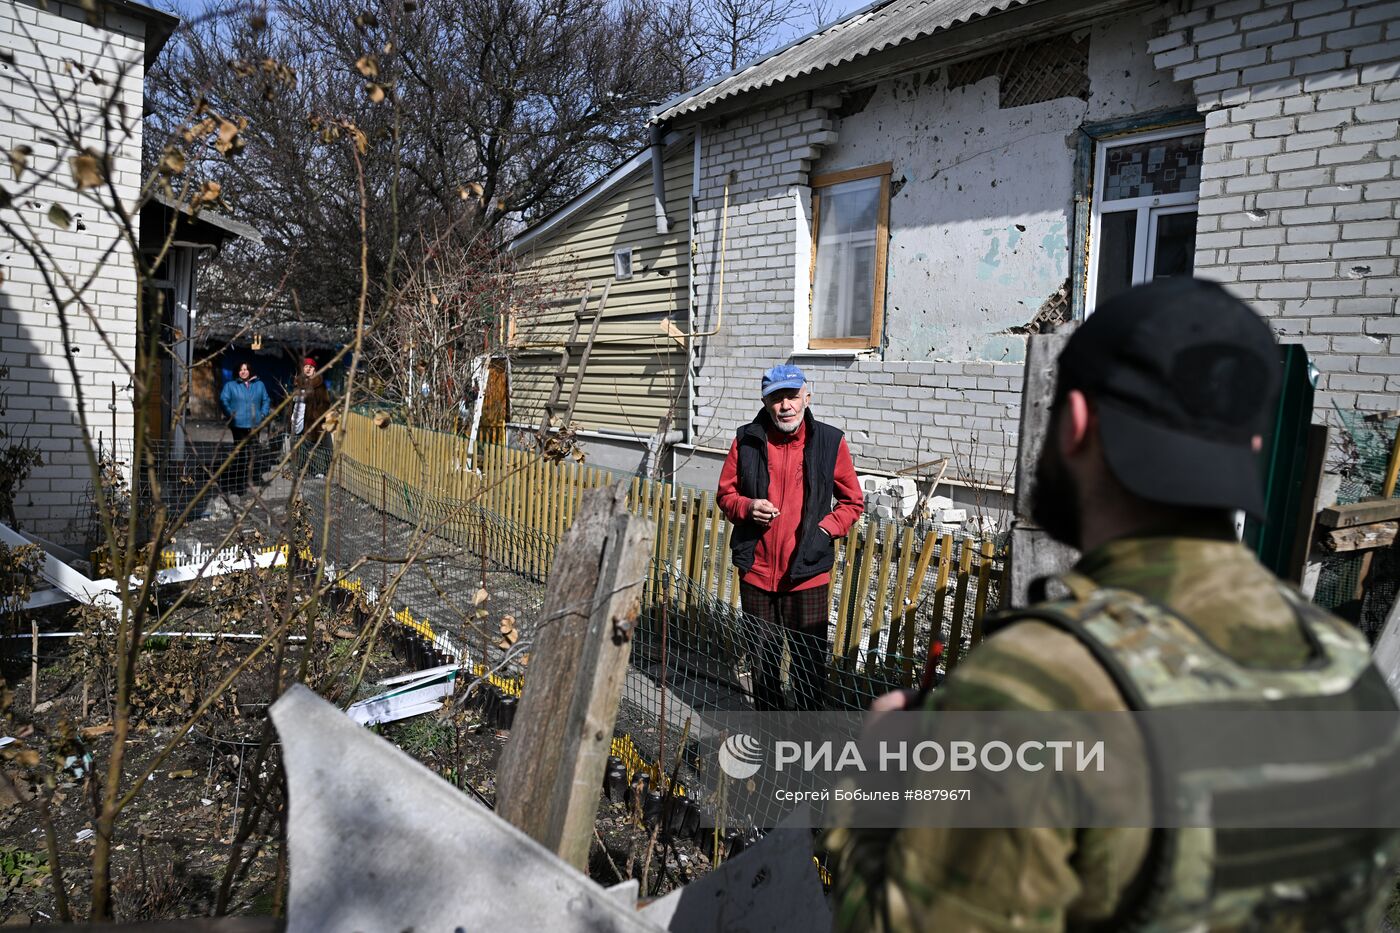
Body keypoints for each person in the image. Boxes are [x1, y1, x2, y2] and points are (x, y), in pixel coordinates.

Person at [827, 277, 1400, 931]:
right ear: (1251, 449)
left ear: (1073, 425)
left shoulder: (1043, 686)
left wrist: (877, 781)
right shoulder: (1348, 667)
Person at [717, 364, 864, 711]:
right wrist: (748, 506)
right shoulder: (746, 440)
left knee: (809, 671)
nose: (785, 406)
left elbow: (852, 501)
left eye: (792, 397)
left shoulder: (830, 441)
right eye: (776, 398)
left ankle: (806, 746)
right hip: (757, 573)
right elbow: (725, 495)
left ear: (806, 397)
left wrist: (825, 530)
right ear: (766, 402)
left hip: (807, 574)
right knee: (764, 668)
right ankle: (771, 744)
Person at [219, 359, 270, 494]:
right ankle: (239, 483)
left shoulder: (259, 385)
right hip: (238, 425)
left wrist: (263, 414)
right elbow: (223, 400)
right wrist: (231, 414)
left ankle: (251, 479)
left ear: (250, 370)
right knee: (241, 454)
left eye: (246, 369)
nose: (243, 372)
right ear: (237, 371)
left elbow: (266, 400)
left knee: (253, 453)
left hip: (254, 424)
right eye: (241, 369)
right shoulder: (231, 385)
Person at [289, 356, 331, 473]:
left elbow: (325, 403)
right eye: (306, 366)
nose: (308, 369)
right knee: (298, 443)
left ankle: (320, 470)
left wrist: (316, 416)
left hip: (312, 420)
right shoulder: (298, 383)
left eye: (311, 367)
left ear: (315, 370)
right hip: (298, 418)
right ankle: (298, 466)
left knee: (315, 446)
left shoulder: (319, 385)